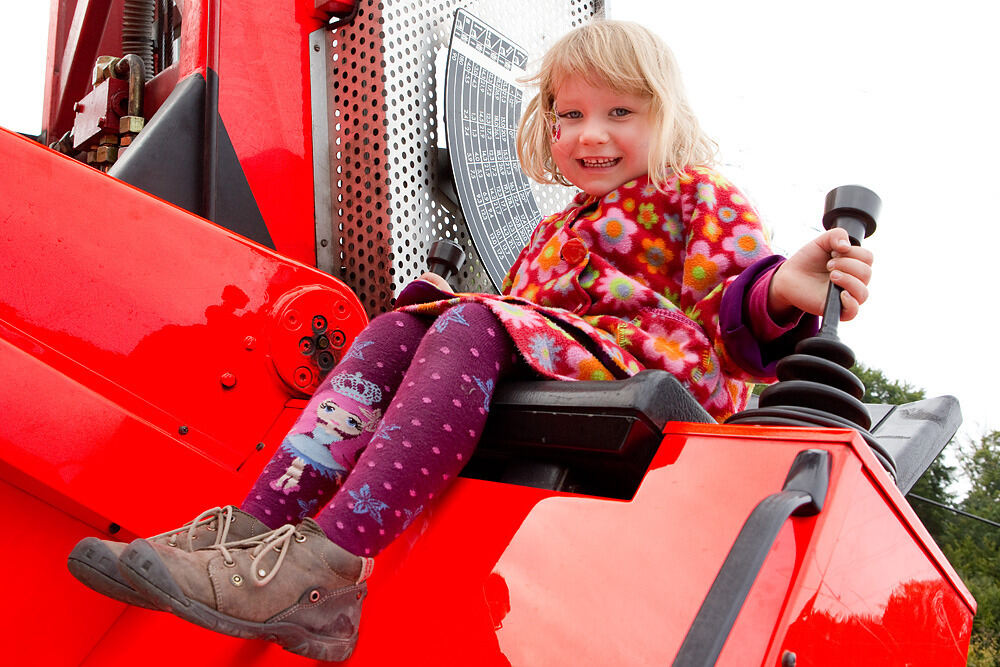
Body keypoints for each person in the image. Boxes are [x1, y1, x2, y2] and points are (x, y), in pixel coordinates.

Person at [66, 19, 873, 662]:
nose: (590, 134)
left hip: (654, 363)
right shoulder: (555, 227)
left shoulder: (697, 195)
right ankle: (251, 535)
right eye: (569, 114)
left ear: (666, 116)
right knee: (393, 328)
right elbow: (523, 310)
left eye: (619, 112)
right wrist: (449, 316)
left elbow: (736, 303)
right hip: (567, 357)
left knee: (467, 321)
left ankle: (333, 561)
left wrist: (786, 291)